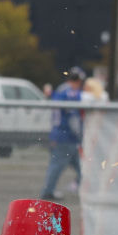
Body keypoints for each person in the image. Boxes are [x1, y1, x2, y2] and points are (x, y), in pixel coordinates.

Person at [40, 67, 84, 200]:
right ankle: (47, 191)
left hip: (60, 134)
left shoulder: (61, 90)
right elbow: (73, 117)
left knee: (81, 166)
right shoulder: (71, 93)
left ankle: (89, 188)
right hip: (66, 136)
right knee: (58, 165)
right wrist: (80, 134)